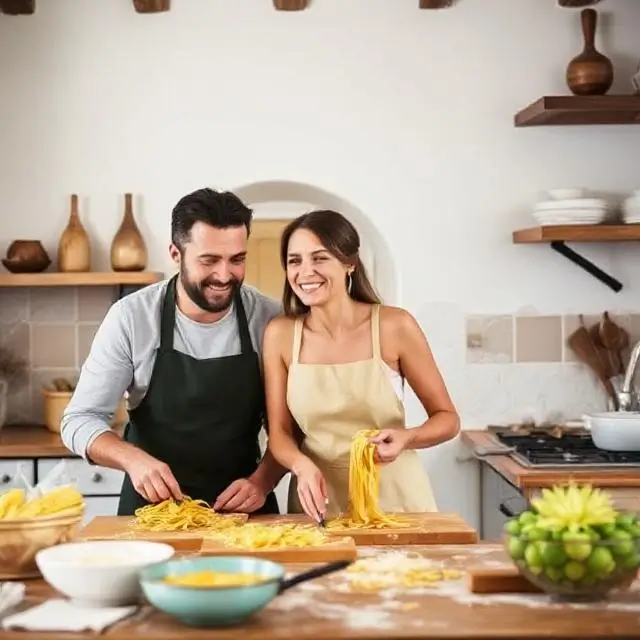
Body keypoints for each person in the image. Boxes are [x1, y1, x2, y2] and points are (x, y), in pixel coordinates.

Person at [60, 188, 287, 516]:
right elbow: (79, 420)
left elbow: (288, 428)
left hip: (246, 513)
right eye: (209, 260)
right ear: (175, 254)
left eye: (237, 260)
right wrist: (132, 459)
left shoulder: (268, 319)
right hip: (153, 513)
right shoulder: (133, 317)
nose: (224, 275)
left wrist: (263, 482)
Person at [262, 209, 460, 523]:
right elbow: (280, 434)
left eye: (320, 258)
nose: (305, 271)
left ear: (349, 263)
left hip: (396, 501)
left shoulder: (395, 326)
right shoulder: (280, 335)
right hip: (319, 502)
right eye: (294, 261)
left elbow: (448, 419)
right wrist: (300, 465)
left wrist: (407, 437)